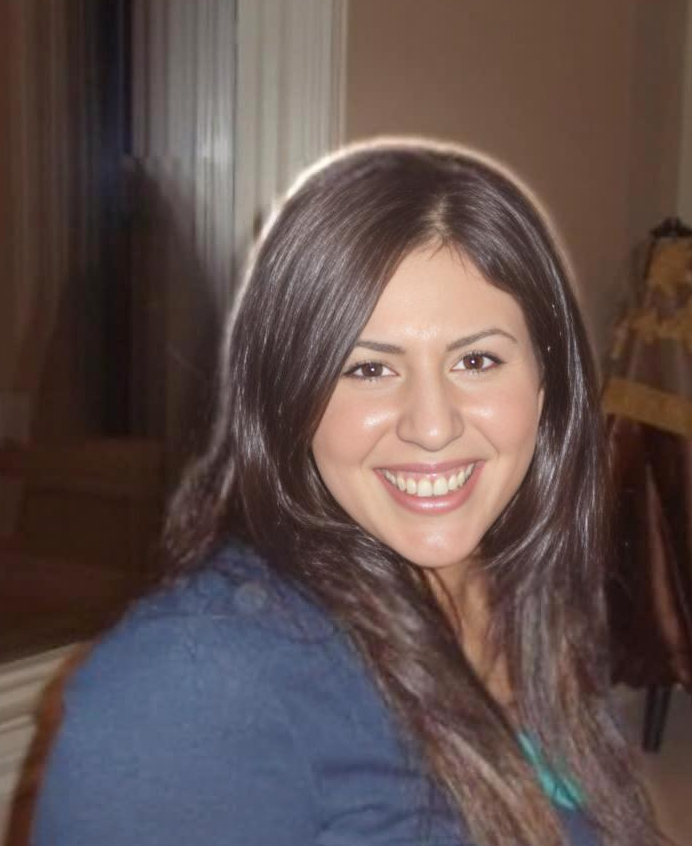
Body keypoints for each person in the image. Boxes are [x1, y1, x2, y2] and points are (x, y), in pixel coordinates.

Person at [32, 139, 662, 846]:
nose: (432, 425)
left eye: (477, 360)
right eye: (368, 369)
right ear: (289, 400)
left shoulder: (527, 596)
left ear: (547, 386)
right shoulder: (193, 683)